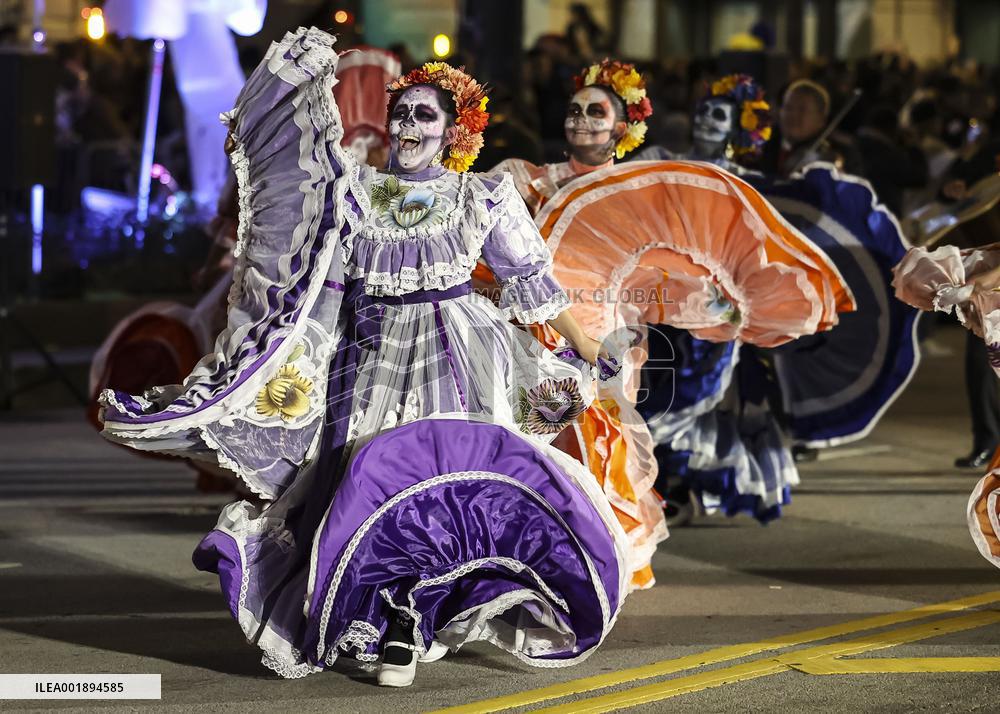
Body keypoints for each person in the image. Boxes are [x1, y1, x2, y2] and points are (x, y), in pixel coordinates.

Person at [100, 29, 630, 686]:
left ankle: (411, 618)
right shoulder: (353, 193)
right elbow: (316, 272)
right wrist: (276, 355)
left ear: (454, 131)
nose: (407, 125)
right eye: (401, 113)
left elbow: (536, 288)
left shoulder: (481, 196)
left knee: (436, 487)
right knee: (360, 483)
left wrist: (586, 345)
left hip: (459, 356)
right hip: (369, 355)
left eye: (424, 115)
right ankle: (377, 611)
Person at [759, 78, 861, 178]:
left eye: (802, 110)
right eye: (788, 107)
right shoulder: (761, 143)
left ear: (821, 119)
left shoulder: (843, 154)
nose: (793, 115)